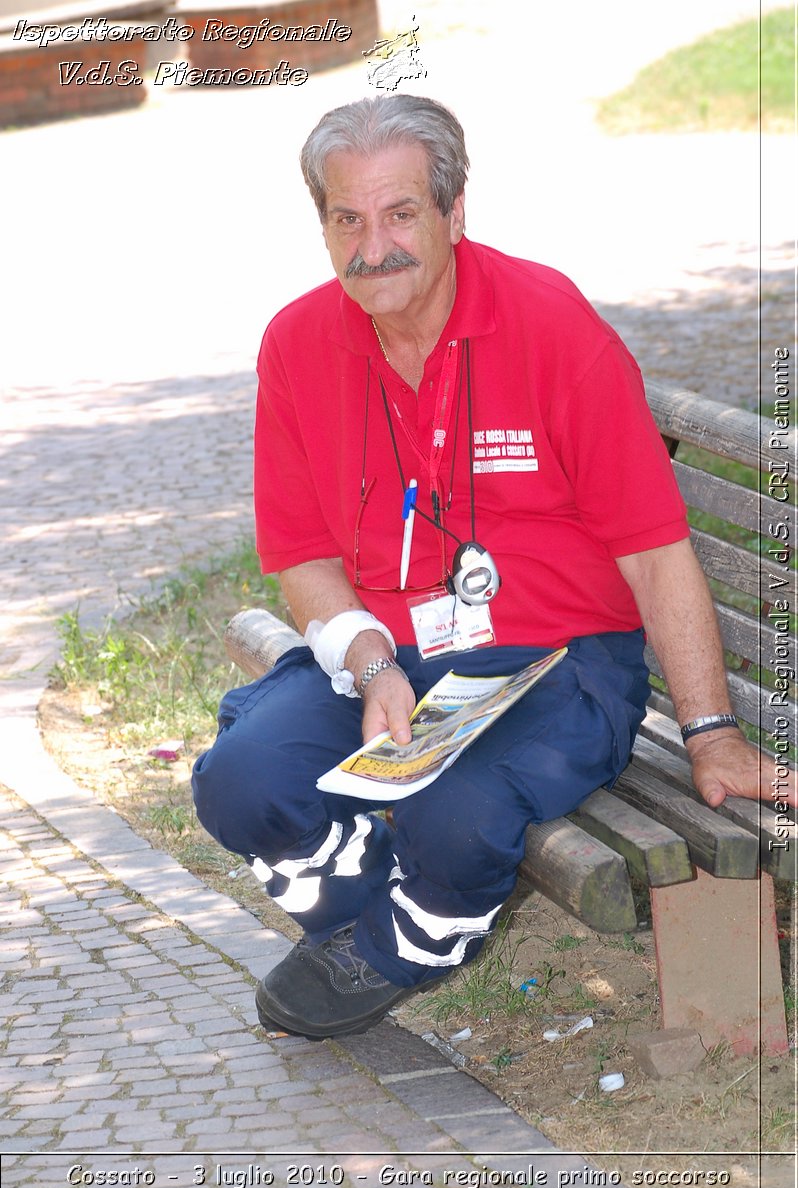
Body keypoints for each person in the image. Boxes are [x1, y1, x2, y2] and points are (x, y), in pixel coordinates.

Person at [192, 94, 781, 1040]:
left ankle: (401, 942)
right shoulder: (297, 344)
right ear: (324, 226)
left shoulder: (550, 326)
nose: (371, 246)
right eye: (348, 218)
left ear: (454, 214)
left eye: (400, 214)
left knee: (455, 814)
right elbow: (302, 555)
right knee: (240, 778)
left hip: (558, 659)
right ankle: (373, 917)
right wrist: (371, 663)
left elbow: (655, 552)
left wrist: (709, 734)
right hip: (394, 653)